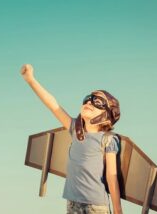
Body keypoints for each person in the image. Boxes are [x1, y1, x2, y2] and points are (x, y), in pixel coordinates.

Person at [20, 64, 123, 214]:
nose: (89, 103)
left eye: (97, 102)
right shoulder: (76, 130)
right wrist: (30, 80)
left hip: (95, 206)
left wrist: (118, 210)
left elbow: (111, 176)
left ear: (107, 115)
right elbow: (53, 105)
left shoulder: (108, 139)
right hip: (72, 203)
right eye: (88, 99)